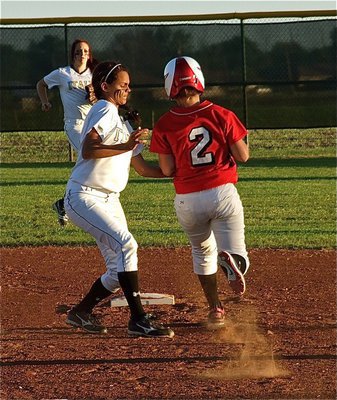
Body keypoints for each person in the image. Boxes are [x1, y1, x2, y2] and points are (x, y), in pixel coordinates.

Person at [63, 60, 174, 338]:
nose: (128, 89)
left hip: (109, 199)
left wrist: (176, 172)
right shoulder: (104, 107)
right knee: (127, 244)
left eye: (128, 85)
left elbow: (144, 169)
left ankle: (81, 312)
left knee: (117, 268)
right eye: (122, 85)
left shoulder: (122, 121)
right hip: (85, 195)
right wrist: (125, 145)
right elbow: (89, 149)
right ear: (105, 87)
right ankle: (138, 319)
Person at [150, 56, 250, 329]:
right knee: (238, 255)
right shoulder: (222, 114)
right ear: (199, 79)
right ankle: (231, 261)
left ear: (170, 85)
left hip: (188, 199)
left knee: (201, 252)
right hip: (222, 192)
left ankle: (216, 309)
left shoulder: (165, 124)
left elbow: (167, 169)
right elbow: (243, 156)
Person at [36, 39, 97, 226]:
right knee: (90, 158)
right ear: (73, 54)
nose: (82, 54)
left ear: (89, 54)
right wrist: (44, 101)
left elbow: (102, 96)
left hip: (93, 123)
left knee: (90, 162)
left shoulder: (94, 74)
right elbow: (41, 84)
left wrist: (95, 96)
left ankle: (65, 203)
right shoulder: (63, 74)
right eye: (79, 51)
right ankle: (69, 203)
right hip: (75, 125)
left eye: (85, 51)